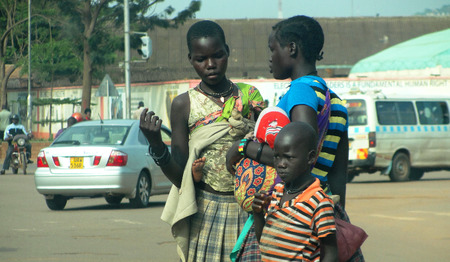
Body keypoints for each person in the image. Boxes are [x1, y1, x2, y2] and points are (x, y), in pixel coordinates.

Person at [227, 15, 364, 261]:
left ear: (291, 48)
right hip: (320, 210)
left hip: (294, 213)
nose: (270, 57)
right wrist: (336, 215)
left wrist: (243, 148)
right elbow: (338, 173)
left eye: (273, 49)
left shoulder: (300, 90)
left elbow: (298, 156)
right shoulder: (337, 102)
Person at [139, 20, 265, 261]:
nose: (210, 65)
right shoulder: (184, 104)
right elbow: (180, 177)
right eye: (201, 59)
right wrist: (156, 144)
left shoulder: (250, 97)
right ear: (190, 59)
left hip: (250, 209)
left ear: (227, 52)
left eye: (217, 55)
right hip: (207, 212)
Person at [253, 122, 337, 261]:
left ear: (310, 157)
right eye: (277, 156)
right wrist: (257, 214)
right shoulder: (277, 192)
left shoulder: (318, 202)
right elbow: (265, 242)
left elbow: (330, 253)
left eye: (289, 157)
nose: (281, 164)